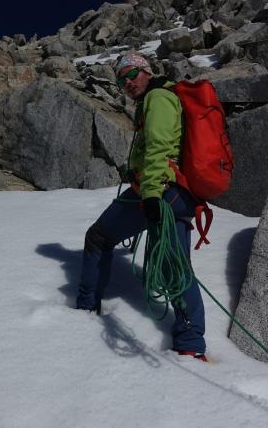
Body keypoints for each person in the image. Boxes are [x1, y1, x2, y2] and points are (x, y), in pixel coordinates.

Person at [75, 51, 207, 360]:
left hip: (160, 190)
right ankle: (191, 344)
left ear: (146, 71)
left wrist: (149, 194)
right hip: (173, 192)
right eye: (121, 81)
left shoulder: (158, 98)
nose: (127, 84)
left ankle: (84, 309)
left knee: (99, 237)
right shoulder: (159, 97)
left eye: (131, 75)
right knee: (175, 265)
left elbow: (159, 148)